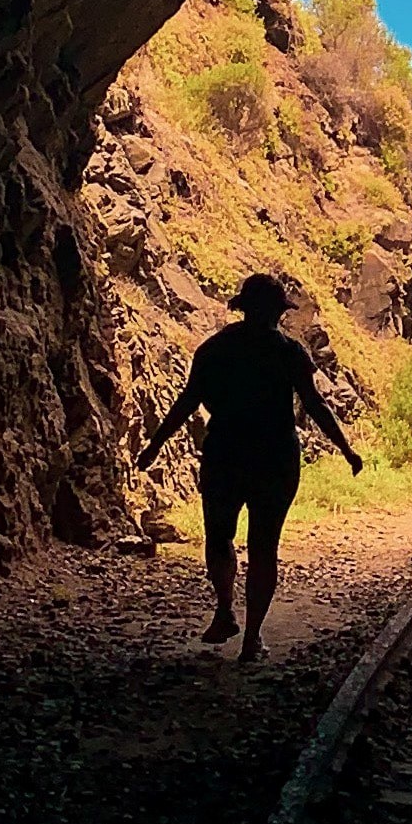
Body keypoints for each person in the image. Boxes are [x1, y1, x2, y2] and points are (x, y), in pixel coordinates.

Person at [132, 273, 362, 660]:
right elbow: (314, 405)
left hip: (226, 452)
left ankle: (225, 610)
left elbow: (188, 402)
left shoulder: (214, 350)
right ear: (277, 311)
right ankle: (252, 637)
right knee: (264, 546)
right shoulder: (290, 353)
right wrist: (346, 448)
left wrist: (155, 445)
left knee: (219, 536)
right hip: (275, 457)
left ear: (242, 308)